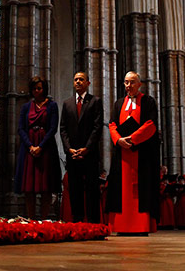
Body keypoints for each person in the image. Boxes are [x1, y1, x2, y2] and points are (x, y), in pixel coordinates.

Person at [106, 71, 160, 234]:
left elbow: (150, 124)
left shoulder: (148, 102)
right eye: (126, 82)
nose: (128, 86)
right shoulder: (118, 103)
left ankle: (140, 225)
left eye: (132, 82)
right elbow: (112, 125)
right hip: (122, 154)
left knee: (140, 190)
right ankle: (121, 226)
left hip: (141, 154)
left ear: (139, 84)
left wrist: (132, 139)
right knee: (120, 191)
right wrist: (118, 140)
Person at [14, 76, 61, 219]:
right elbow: (21, 128)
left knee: (46, 184)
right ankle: (31, 218)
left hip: (46, 147)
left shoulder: (52, 106)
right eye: (34, 88)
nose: (36, 91)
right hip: (29, 149)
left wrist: (40, 146)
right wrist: (30, 146)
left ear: (44, 89)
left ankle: (45, 218)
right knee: (29, 186)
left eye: (39, 88)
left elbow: (53, 128)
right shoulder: (26, 107)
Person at [59, 71, 103, 222]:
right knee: (75, 189)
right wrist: (68, 148)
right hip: (72, 154)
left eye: (81, 79)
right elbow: (63, 128)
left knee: (92, 190)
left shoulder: (95, 101)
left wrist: (87, 148)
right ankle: (77, 222)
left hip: (89, 153)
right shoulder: (67, 103)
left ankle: (93, 223)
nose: (78, 82)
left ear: (88, 83)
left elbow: (97, 128)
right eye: (76, 79)